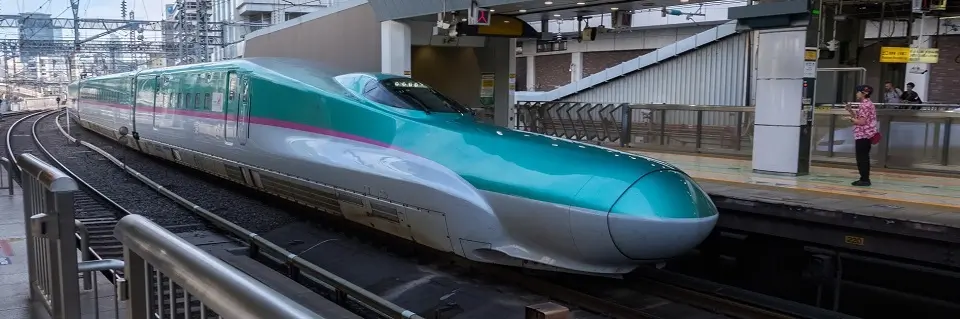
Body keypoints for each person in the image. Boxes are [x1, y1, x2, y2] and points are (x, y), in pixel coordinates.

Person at [845, 85, 878, 187]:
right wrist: (850, 111)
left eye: (858, 91)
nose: (856, 93)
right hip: (865, 135)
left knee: (862, 158)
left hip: (863, 134)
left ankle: (864, 179)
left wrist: (850, 119)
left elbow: (861, 122)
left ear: (864, 93)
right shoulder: (866, 104)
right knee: (863, 157)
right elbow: (859, 117)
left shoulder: (865, 105)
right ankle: (863, 178)